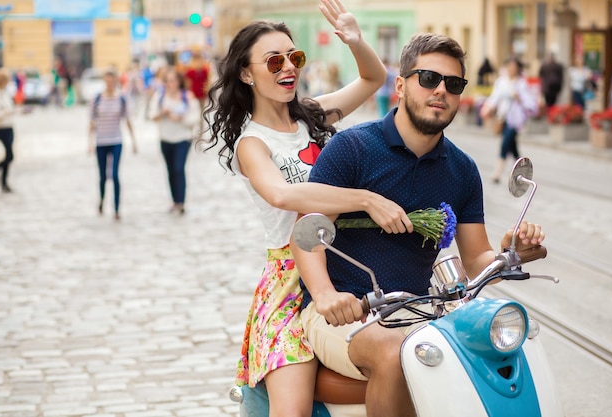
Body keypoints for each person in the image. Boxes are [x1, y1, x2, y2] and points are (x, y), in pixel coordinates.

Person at [290, 33, 545, 417]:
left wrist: (512, 251)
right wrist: (326, 295)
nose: (440, 90)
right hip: (344, 311)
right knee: (396, 353)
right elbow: (307, 233)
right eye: (428, 78)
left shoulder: (461, 170)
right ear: (400, 85)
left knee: (499, 349)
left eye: (453, 84)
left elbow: (476, 258)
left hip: (418, 310)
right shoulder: (352, 149)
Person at [203, 0, 409, 415]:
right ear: (246, 73)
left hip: (347, 267)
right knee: (293, 410)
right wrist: (366, 200)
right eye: (273, 60)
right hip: (290, 284)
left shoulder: (312, 114)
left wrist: (355, 40)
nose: (287, 67)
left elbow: (372, 79)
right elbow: (282, 195)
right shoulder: (252, 143)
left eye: (293, 57)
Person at [148, 66, 200, 214]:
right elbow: (151, 115)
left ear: (179, 81)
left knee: (179, 168)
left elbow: (195, 118)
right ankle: (175, 201)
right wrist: (161, 113)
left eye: (174, 80)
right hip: (165, 138)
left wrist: (181, 118)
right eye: (168, 81)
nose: (171, 84)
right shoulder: (160, 96)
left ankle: (181, 202)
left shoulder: (187, 96)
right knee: (170, 170)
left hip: (183, 138)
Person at [88, 69, 137, 220]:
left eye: (112, 81)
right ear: (104, 81)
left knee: (115, 175)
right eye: (107, 81)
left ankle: (116, 209)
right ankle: (102, 201)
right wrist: (89, 142)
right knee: (103, 176)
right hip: (101, 141)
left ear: (115, 81)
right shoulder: (96, 99)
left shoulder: (121, 99)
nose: (109, 84)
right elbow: (91, 122)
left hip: (116, 140)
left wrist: (134, 140)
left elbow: (127, 120)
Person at [480, 56, 538, 183]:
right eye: (509, 66)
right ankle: (524, 168)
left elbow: (530, 103)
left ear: (518, 69)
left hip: (515, 120)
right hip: (502, 117)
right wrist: (488, 107)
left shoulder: (521, 84)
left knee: (505, 143)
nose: (511, 69)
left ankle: (497, 172)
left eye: (514, 67)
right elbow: (494, 97)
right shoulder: (501, 82)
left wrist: (519, 98)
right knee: (513, 146)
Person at [0, 68, 17, 193]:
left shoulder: (5, 93)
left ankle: (4, 183)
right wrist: (7, 112)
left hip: (9, 127)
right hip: (1, 129)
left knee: (9, 157)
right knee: (8, 156)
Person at [184, 52, 210, 137]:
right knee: (192, 113)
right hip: (193, 96)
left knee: (202, 115)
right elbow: (187, 83)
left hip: (202, 96)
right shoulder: (190, 72)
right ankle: (190, 131)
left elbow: (208, 82)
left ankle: (200, 132)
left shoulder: (205, 71)